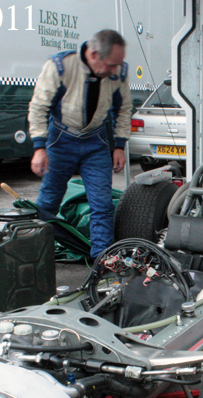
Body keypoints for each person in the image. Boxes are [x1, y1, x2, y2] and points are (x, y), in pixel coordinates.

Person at [28, 29, 132, 260]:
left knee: (102, 204)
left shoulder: (119, 72)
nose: (116, 70)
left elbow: (123, 109)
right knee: (48, 201)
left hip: (95, 142)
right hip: (60, 140)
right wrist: (39, 147)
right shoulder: (60, 67)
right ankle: (36, 255)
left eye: (118, 64)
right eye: (111, 65)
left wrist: (119, 146)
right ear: (93, 54)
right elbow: (39, 107)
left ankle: (101, 260)